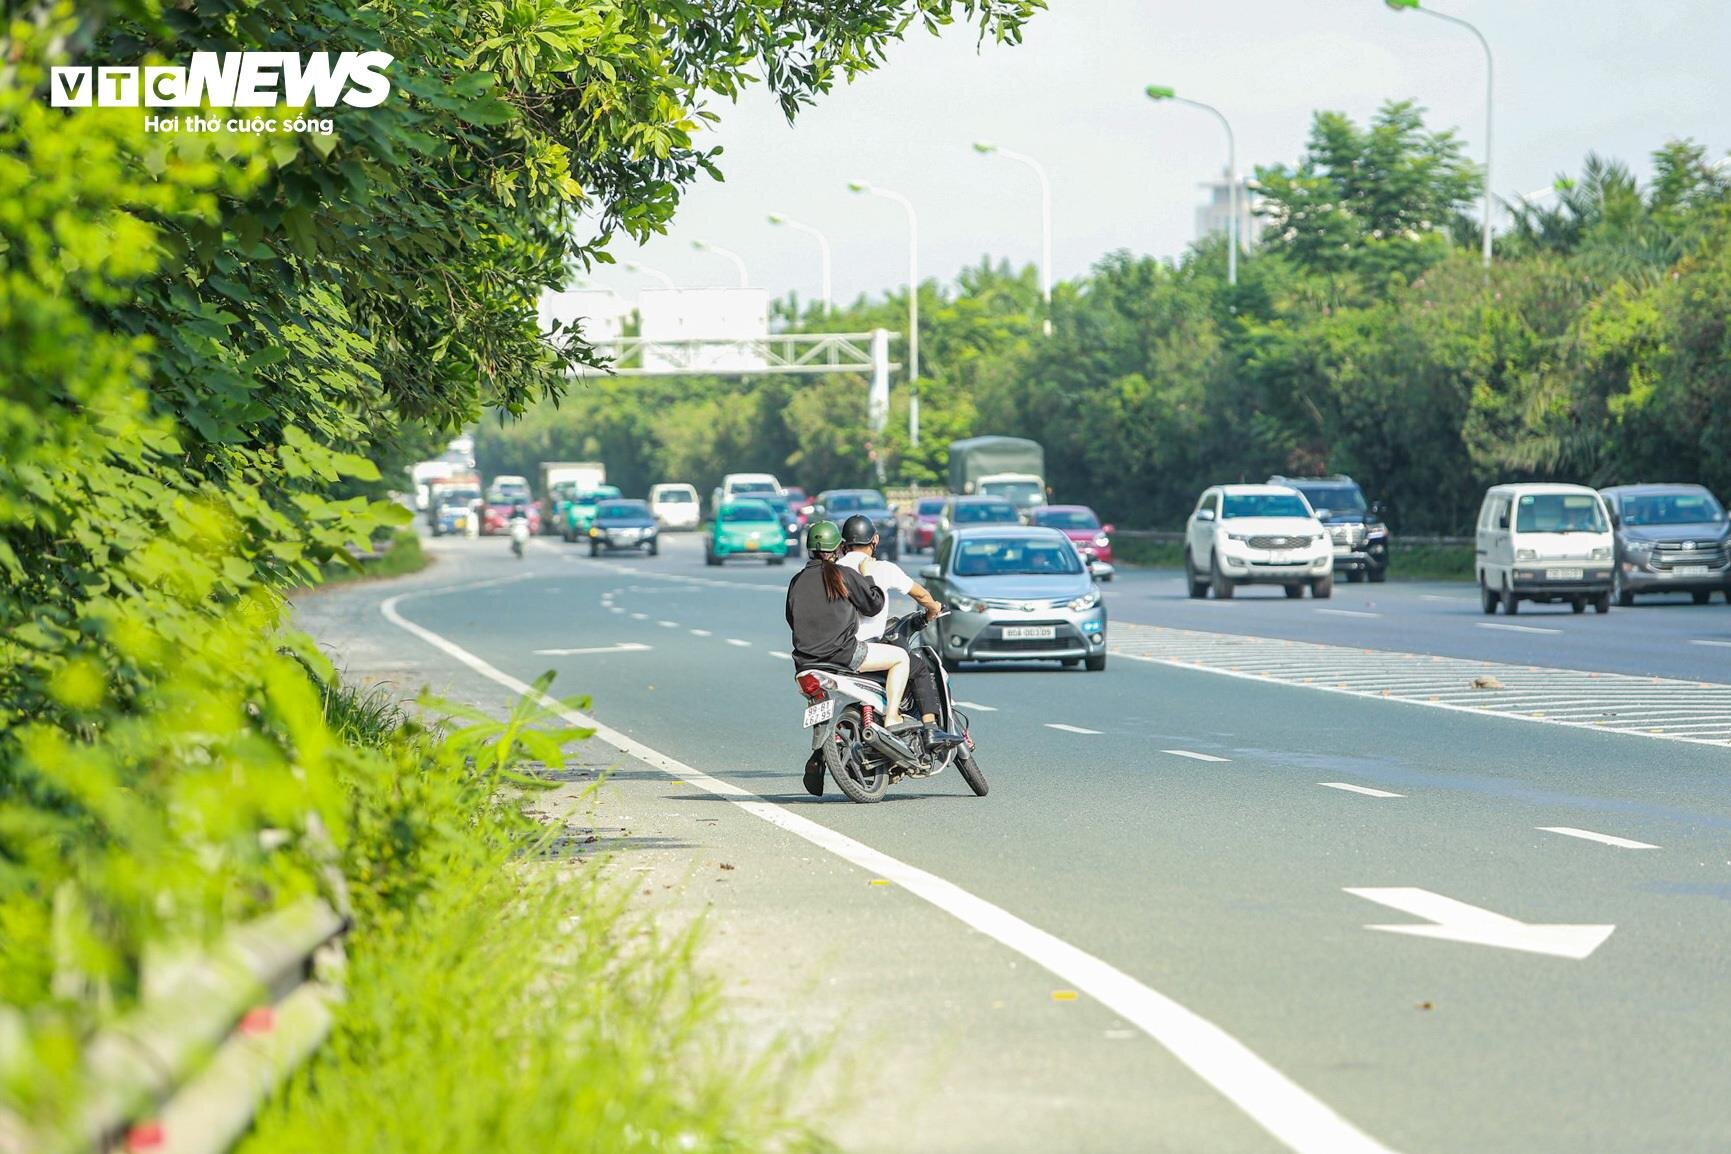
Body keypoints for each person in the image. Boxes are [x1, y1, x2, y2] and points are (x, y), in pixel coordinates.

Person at [835, 514, 962, 747]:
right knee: (918, 667)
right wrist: (933, 608)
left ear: (843, 544)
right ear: (875, 540)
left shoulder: (833, 570)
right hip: (866, 649)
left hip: (835, 649)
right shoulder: (881, 568)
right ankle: (930, 728)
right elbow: (921, 594)